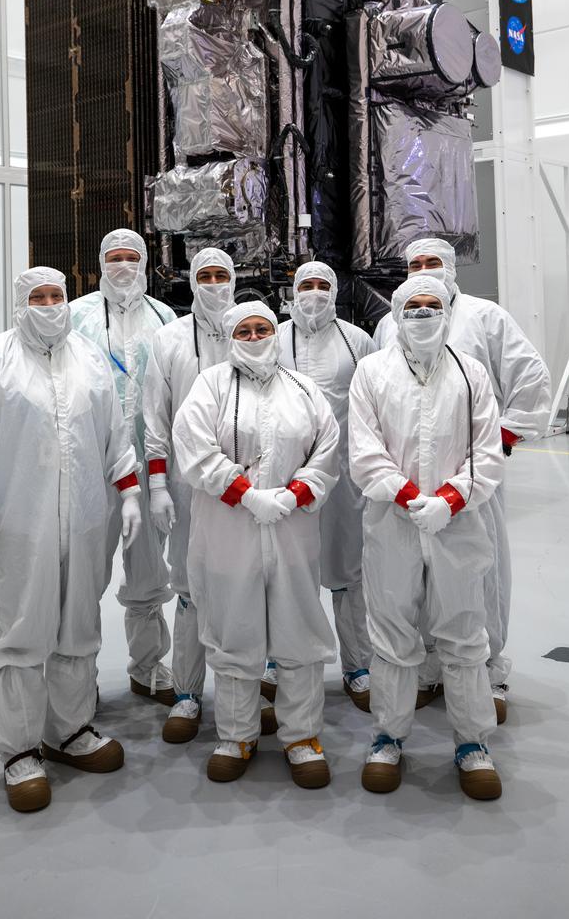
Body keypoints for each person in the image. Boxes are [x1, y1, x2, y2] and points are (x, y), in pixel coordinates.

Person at [0, 268, 141, 813]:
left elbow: (114, 433)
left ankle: (70, 730)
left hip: (85, 518)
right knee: (24, 631)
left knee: (78, 624)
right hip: (21, 523)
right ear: (19, 303)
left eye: (57, 296)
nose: (50, 305)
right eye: (38, 297)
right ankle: (19, 750)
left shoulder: (90, 358)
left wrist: (127, 492)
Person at [373, 237, 551, 719]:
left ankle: (487, 671)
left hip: (472, 475)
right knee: (414, 577)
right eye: (415, 265)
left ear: (453, 267)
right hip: (406, 482)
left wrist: (502, 440)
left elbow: (531, 377)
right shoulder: (390, 322)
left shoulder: (484, 316)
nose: (425, 272)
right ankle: (431, 668)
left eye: (434, 263)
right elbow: (375, 390)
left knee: (480, 571)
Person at [348, 273, 505, 799]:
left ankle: (472, 743)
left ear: (446, 311)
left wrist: (451, 500)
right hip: (392, 524)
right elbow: (365, 451)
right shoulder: (372, 372)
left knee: (463, 633)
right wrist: (408, 496)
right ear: (395, 312)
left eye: (430, 305)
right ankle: (389, 737)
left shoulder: (471, 373)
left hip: (458, 525)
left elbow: (487, 451)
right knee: (392, 632)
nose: (420, 314)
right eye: (411, 306)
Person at [172, 302, 340, 789]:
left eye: (262, 327)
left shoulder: (304, 389)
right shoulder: (210, 386)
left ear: (275, 332)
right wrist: (245, 494)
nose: (253, 335)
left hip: (292, 530)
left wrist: (295, 492)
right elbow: (194, 446)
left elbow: (327, 449)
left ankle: (302, 737)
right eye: (243, 330)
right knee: (233, 629)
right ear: (230, 337)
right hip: (229, 532)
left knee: (299, 632)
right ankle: (236, 735)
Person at [261, 261, 375, 713]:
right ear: (292, 291)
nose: (313, 293)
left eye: (322, 285)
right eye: (305, 285)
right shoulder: (275, 338)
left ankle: (357, 665)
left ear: (335, 290)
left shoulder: (357, 341)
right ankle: (278, 659)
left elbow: (371, 405)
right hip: (286, 480)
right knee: (285, 570)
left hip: (343, 479)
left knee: (347, 572)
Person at [70, 229, 177, 707]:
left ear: (146, 261)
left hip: (152, 464)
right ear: (100, 262)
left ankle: (148, 666)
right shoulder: (76, 316)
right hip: (93, 466)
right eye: (113, 257)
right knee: (85, 573)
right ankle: (78, 676)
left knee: (149, 569)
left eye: (131, 257)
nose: (122, 266)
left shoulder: (164, 317)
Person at [142, 248, 240, 744]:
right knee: (188, 588)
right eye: (205, 275)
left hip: (245, 487)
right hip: (185, 485)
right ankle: (186, 693)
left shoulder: (254, 327)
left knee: (244, 583)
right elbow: (155, 416)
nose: (215, 283)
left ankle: (246, 687)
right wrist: (158, 484)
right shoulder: (169, 338)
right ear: (191, 281)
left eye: (223, 275)